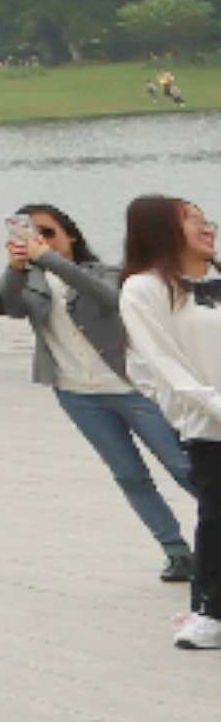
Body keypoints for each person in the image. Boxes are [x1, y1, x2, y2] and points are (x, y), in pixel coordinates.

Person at [7, 209, 190, 577]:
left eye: (49, 232)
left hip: (132, 390)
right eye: (32, 233)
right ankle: (177, 553)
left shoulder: (103, 272)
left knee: (184, 467)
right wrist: (15, 270)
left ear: (70, 236)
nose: (41, 240)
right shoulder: (32, 281)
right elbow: (9, 307)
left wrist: (53, 262)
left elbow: (111, 300)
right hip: (78, 395)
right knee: (128, 475)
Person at [119, 202, 221, 654]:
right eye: (191, 219)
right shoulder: (144, 289)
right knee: (217, 520)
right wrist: (207, 405)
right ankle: (211, 614)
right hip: (210, 426)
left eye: (206, 218)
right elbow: (159, 365)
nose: (206, 225)